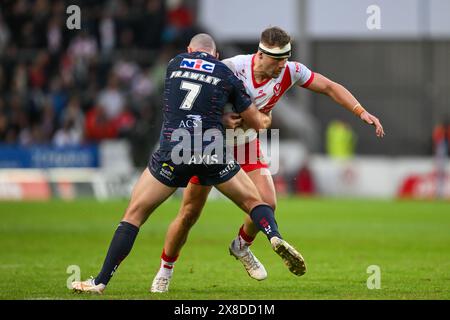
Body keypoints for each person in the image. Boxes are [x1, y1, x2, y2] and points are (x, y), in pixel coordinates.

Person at [152, 26, 385, 292]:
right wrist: (220, 120)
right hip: (210, 144)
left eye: (285, 60)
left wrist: (361, 112)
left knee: (268, 202)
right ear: (260, 55)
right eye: (276, 61)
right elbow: (192, 101)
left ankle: (241, 246)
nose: (281, 67)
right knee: (189, 213)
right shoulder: (230, 67)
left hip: (246, 144)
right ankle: (165, 270)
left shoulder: (290, 71)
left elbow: (329, 87)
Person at [71, 33, 306, 294]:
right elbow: (255, 121)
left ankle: (101, 281)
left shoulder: (173, 64)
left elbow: (179, 102)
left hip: (175, 150)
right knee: (256, 203)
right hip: (211, 152)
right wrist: (264, 119)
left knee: (135, 215)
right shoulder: (227, 74)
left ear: (189, 50)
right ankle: (274, 235)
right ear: (216, 55)